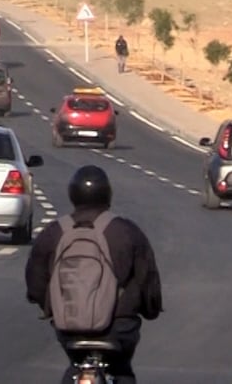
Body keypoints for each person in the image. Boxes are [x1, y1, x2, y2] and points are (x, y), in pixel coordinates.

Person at [25, 165, 162, 384]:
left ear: (72, 194)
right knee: (121, 370)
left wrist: (54, 306)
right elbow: (149, 282)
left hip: (69, 328)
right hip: (118, 329)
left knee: (74, 365)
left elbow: (35, 285)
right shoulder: (126, 231)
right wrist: (149, 308)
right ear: (107, 194)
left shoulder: (54, 233)